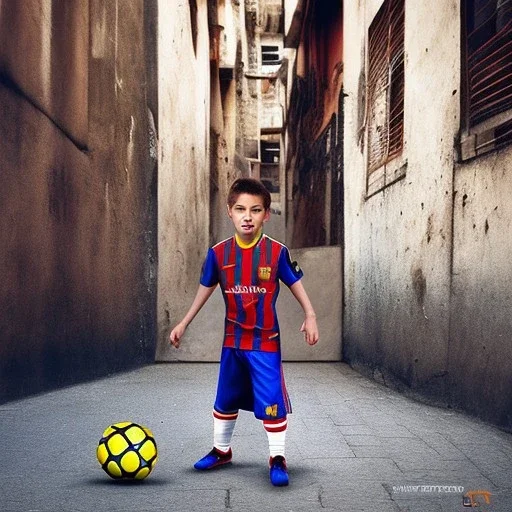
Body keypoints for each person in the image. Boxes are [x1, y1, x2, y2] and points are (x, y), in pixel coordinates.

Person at [169, 177, 319, 487]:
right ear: (230, 212)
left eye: (255, 210)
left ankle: (277, 458)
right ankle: (221, 451)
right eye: (240, 209)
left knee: (271, 402)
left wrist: (310, 314)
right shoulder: (218, 254)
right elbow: (204, 291)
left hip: (265, 343)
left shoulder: (276, 252)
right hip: (232, 343)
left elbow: (295, 284)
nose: (247, 216)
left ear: (266, 214)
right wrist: (183, 323)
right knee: (225, 399)